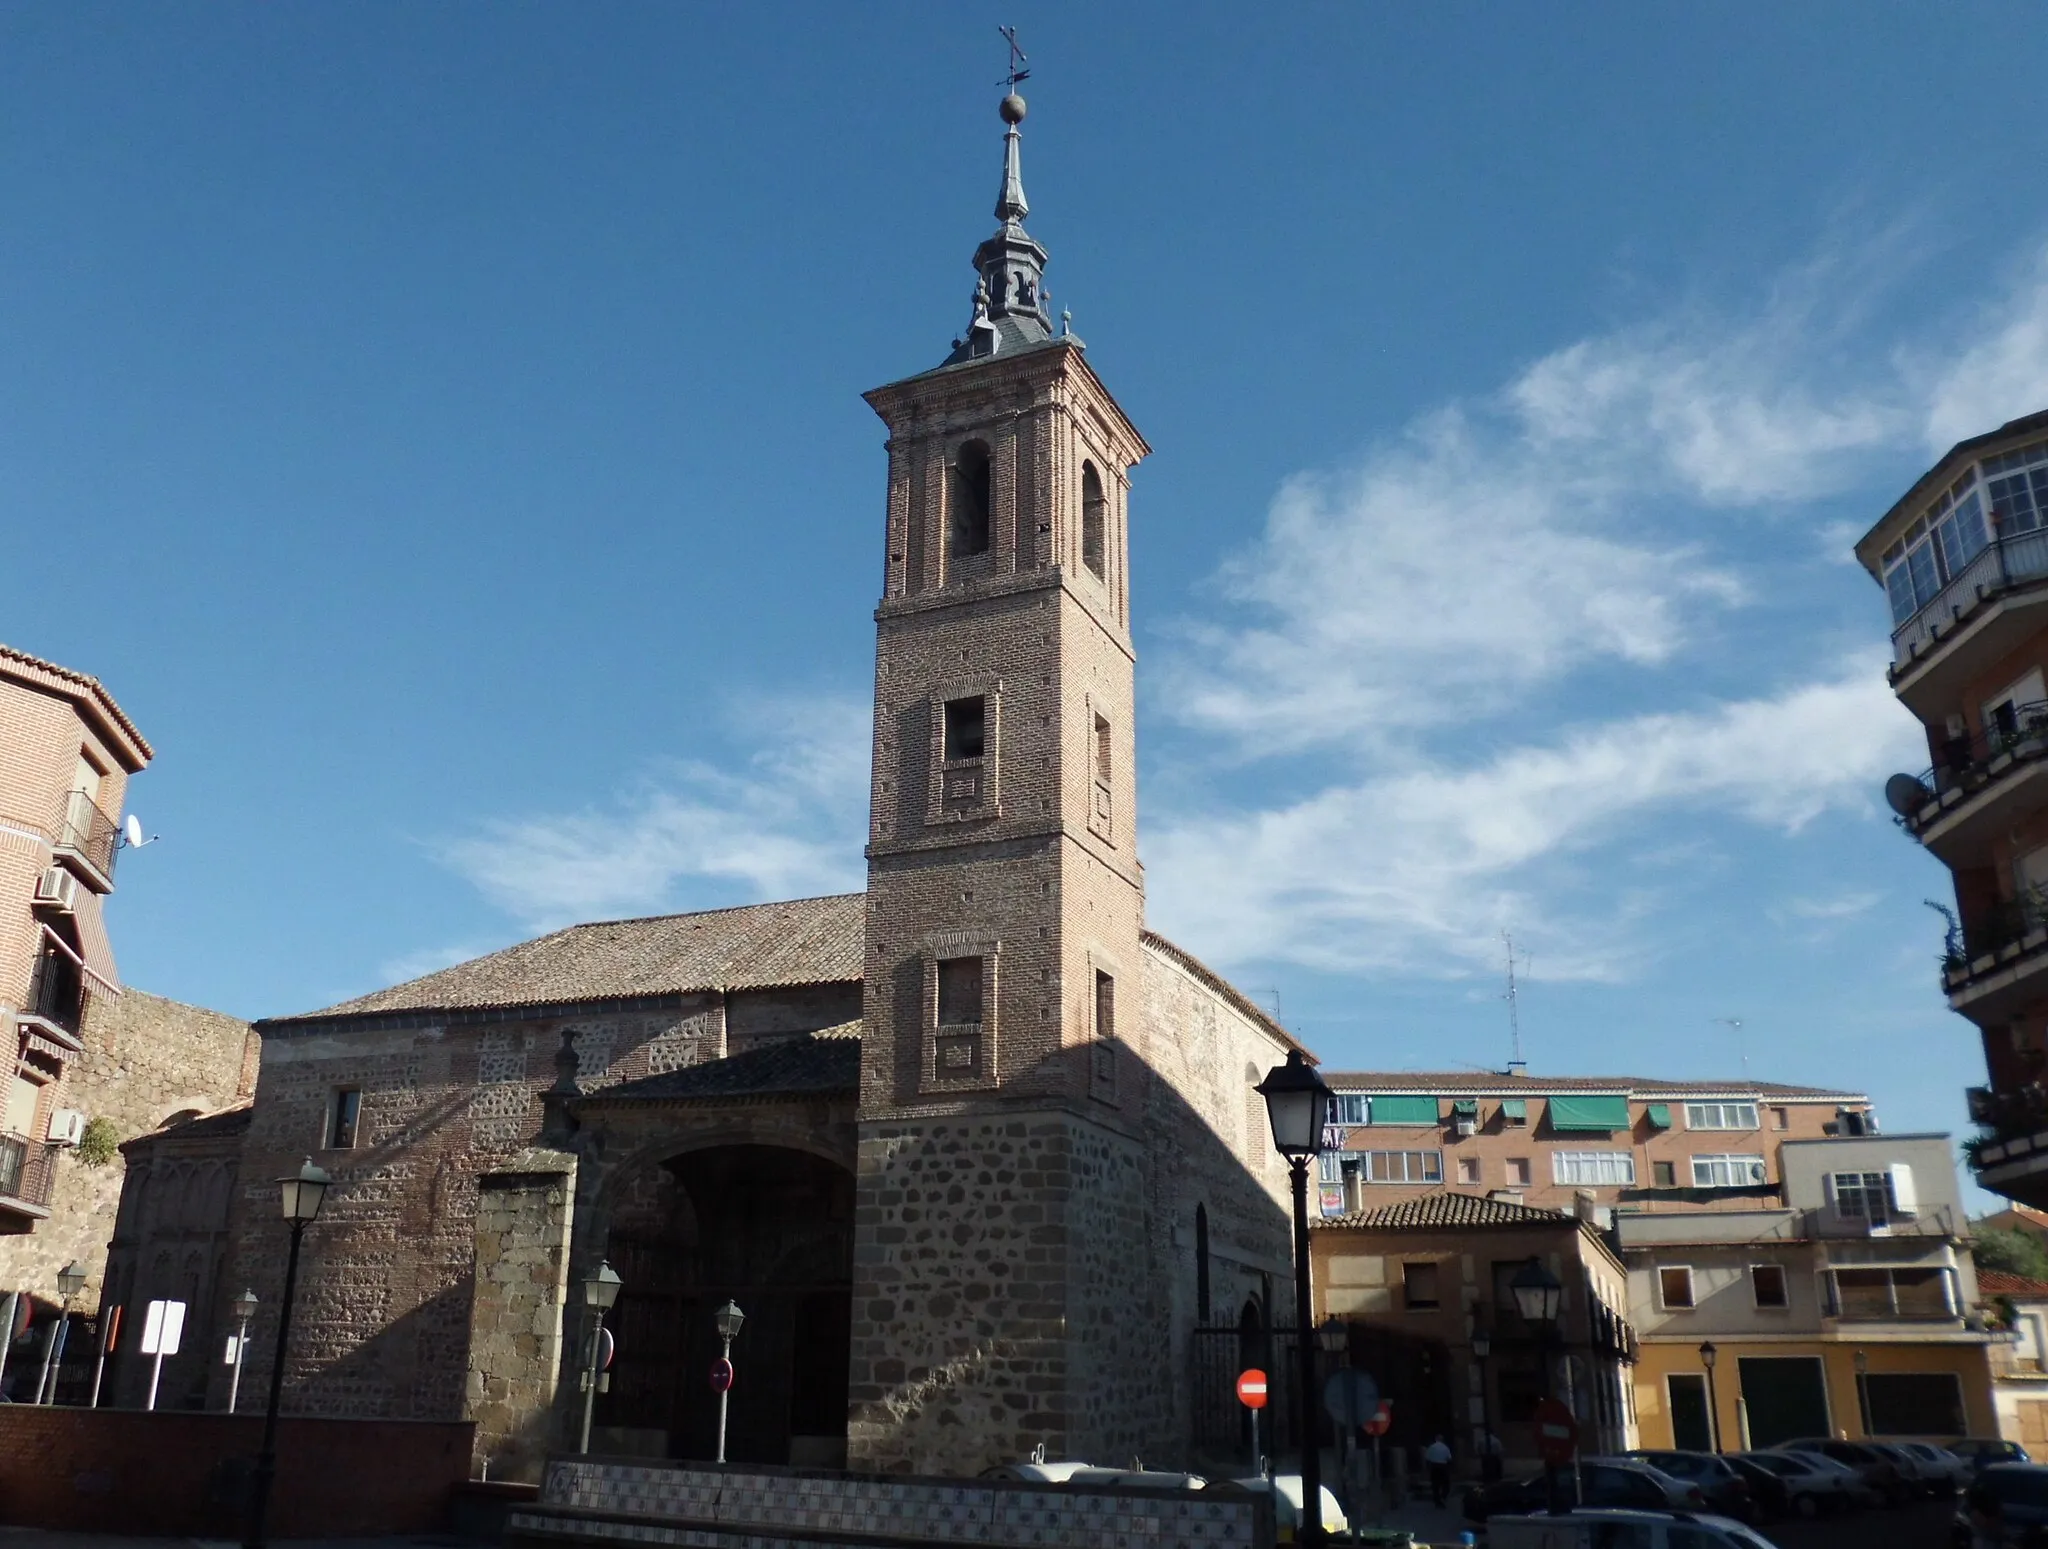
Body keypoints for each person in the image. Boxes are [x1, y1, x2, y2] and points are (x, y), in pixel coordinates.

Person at [1423, 1434, 1454, 1508]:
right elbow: (1449, 1458)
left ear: (1435, 1439)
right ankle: (1443, 1496)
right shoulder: (1445, 1447)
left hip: (1434, 1466)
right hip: (1443, 1466)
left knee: (1435, 1484)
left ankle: (1437, 1501)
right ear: (1442, 1440)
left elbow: (1427, 1458)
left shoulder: (1431, 1447)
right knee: (1446, 1484)